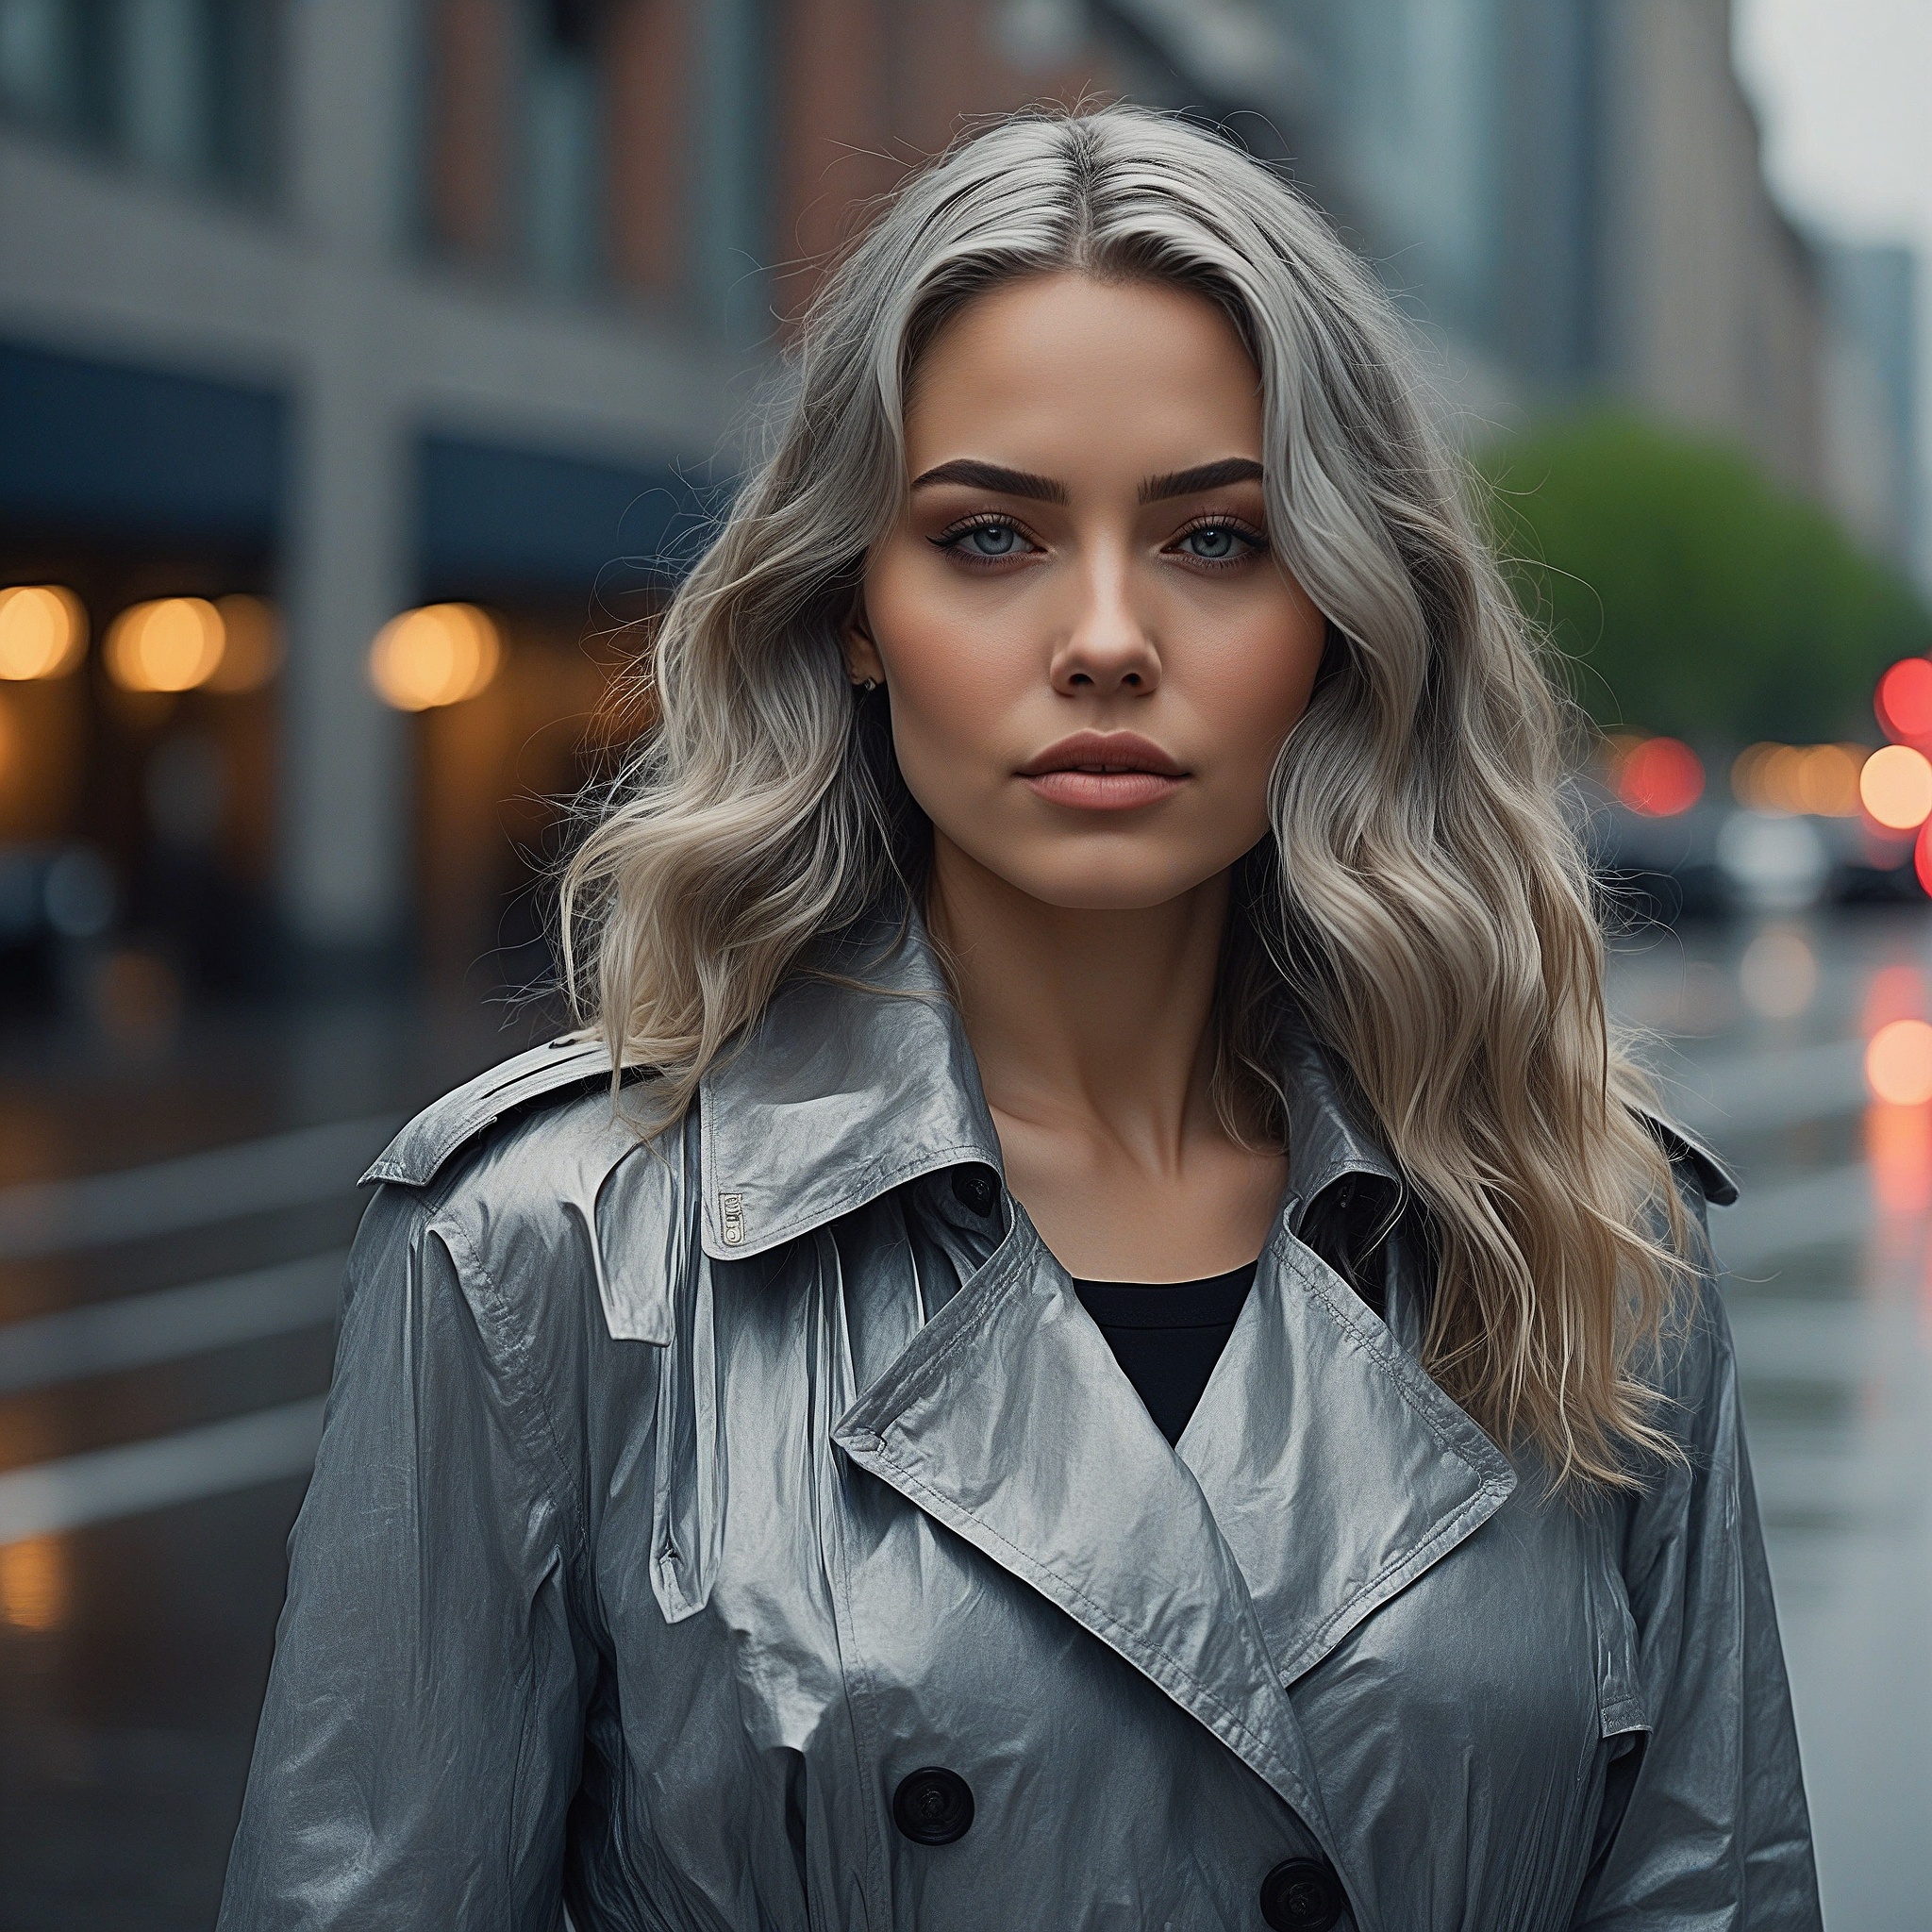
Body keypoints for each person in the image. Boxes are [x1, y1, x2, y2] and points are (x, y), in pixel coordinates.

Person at [219, 106, 1820, 1931]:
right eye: (992, 538)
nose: (1109, 636)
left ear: (1345, 614)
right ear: (854, 611)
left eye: (1217, 539)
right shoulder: (545, 1255)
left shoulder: (1582, 1237)